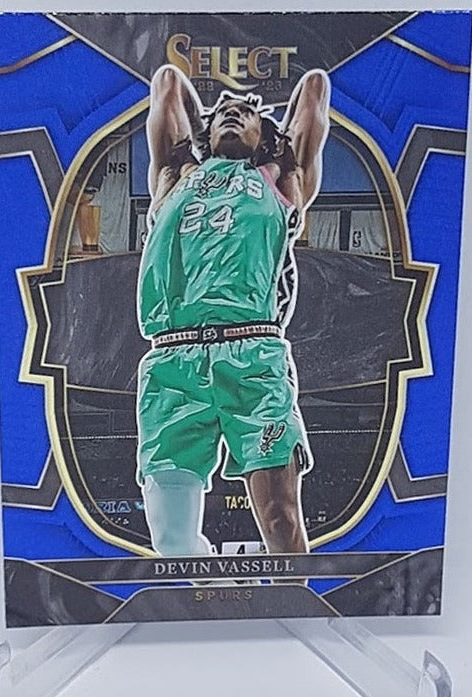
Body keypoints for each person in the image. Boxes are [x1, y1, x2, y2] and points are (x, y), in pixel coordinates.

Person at [136, 64, 330, 557]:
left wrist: (266, 126)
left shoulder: (281, 177)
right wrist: (212, 121)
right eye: (224, 112)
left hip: (252, 356)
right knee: (171, 540)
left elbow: (314, 88)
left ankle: (294, 600)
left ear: (267, 136)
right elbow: (167, 83)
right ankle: (215, 594)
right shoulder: (175, 175)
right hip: (173, 362)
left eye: (245, 114)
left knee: (280, 518)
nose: (233, 114)